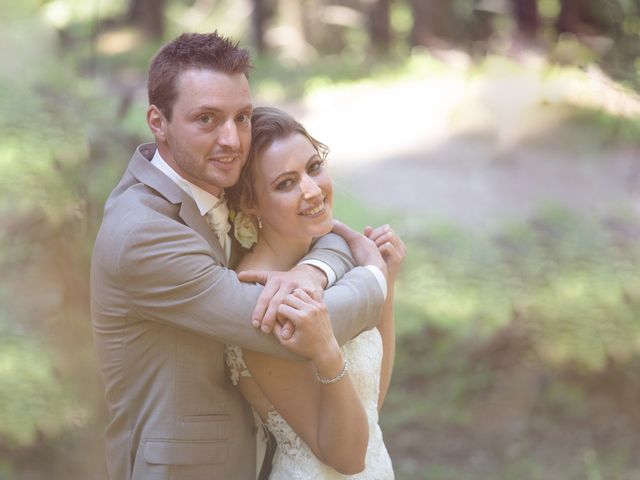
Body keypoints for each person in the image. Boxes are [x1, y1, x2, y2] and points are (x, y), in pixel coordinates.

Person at [90, 32, 388, 480]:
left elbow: (319, 229)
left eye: (242, 117)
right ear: (158, 121)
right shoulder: (143, 233)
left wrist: (313, 269)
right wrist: (376, 277)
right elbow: (288, 327)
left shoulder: (220, 183)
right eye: (207, 119)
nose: (232, 139)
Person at [225, 106, 406, 479]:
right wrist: (325, 350)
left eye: (313, 167)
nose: (312, 190)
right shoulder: (260, 301)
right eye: (285, 183)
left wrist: (383, 283)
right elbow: (347, 457)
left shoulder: (331, 261)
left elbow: (370, 405)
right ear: (251, 203)